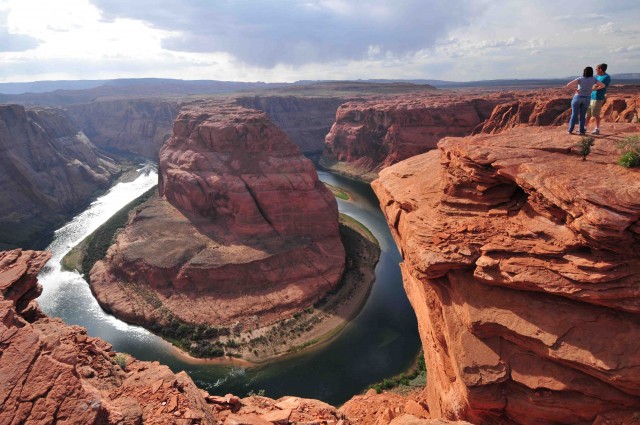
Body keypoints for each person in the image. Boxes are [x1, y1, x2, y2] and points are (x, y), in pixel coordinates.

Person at [567, 67, 605, 134]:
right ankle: (581, 131)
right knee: (583, 115)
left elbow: (568, 85)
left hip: (577, 97)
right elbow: (603, 85)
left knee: (574, 114)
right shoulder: (594, 79)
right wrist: (593, 89)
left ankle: (570, 130)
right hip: (587, 98)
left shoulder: (580, 78)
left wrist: (576, 90)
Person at [587, 63, 611, 135]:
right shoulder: (598, 77)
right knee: (588, 113)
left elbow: (598, 86)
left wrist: (595, 87)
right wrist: (594, 86)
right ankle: (584, 127)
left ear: (600, 69)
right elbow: (594, 85)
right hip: (592, 96)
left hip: (598, 97)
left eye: (596, 69)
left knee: (596, 114)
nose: (596, 70)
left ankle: (597, 129)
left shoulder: (606, 77)